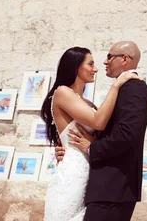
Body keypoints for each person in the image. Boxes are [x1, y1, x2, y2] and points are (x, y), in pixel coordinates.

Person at [41, 46, 140, 221]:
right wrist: (116, 85)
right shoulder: (62, 92)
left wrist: (93, 141)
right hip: (73, 173)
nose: (96, 69)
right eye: (91, 64)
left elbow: (100, 131)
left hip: (92, 175)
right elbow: (98, 122)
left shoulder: (88, 103)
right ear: (76, 67)